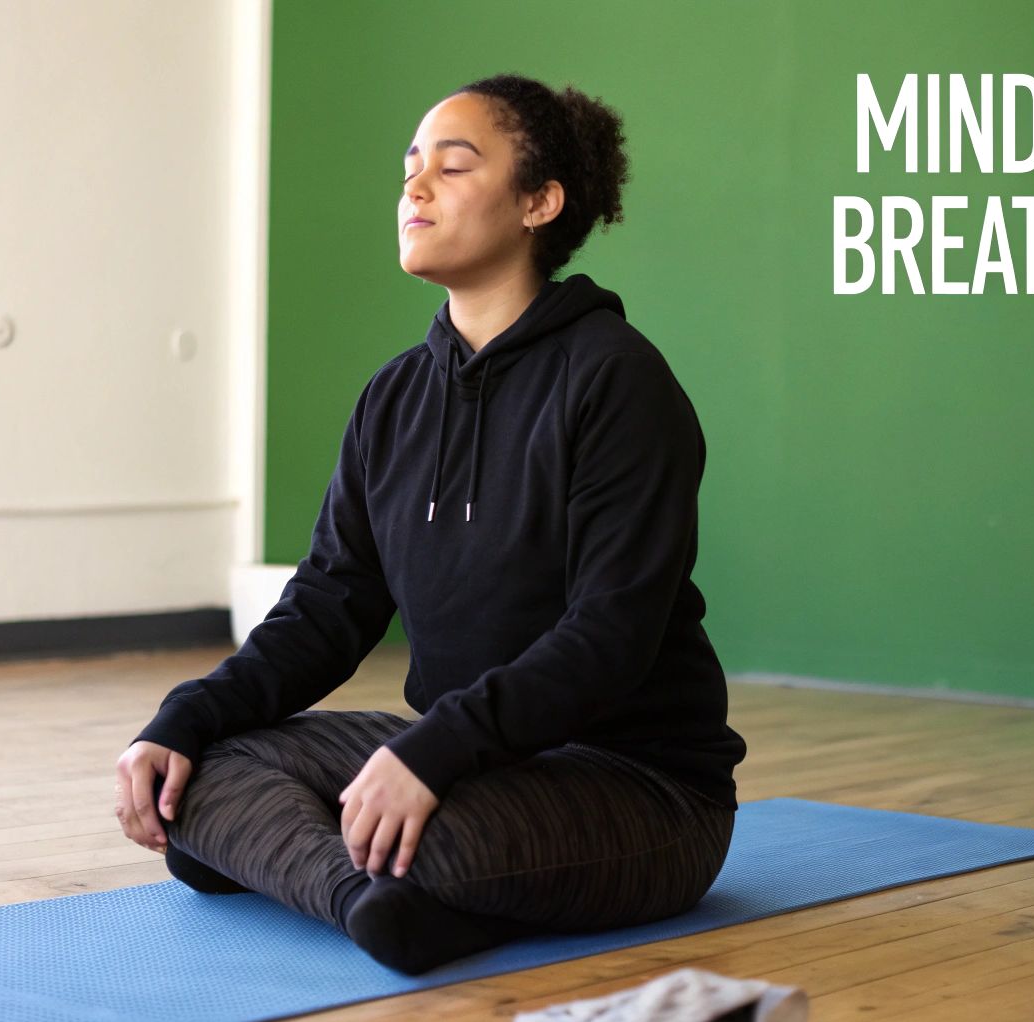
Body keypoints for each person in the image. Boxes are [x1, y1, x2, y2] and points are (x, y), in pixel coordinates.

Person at [112, 72, 747, 976]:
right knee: (199, 775)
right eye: (410, 167)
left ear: (538, 202)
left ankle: (355, 879)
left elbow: (610, 636)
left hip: (636, 785)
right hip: (466, 757)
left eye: (451, 167)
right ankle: (376, 901)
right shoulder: (394, 398)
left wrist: (436, 752)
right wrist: (182, 718)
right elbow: (326, 607)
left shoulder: (616, 380)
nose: (415, 187)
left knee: (415, 836)